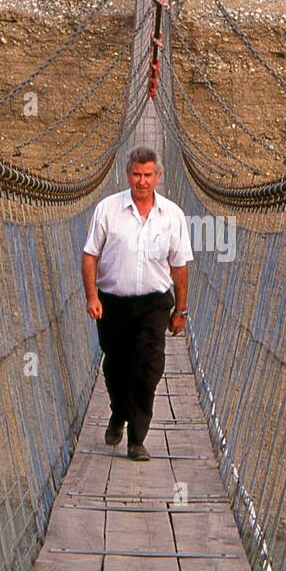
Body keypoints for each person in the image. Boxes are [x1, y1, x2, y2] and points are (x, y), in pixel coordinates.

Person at [81, 147, 193, 460]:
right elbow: (90, 254)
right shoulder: (107, 209)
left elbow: (180, 265)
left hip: (154, 304)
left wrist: (180, 310)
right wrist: (92, 296)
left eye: (147, 175)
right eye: (136, 174)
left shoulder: (173, 215)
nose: (141, 181)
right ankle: (118, 413)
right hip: (112, 303)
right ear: (127, 174)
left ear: (158, 176)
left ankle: (136, 439)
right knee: (116, 366)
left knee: (147, 368)